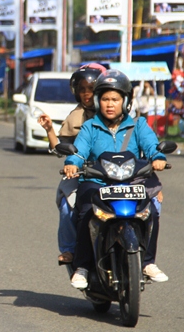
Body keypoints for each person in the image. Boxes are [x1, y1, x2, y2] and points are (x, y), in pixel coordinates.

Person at [63, 70, 169, 289]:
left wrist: (158, 157)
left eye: (115, 99)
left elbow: (151, 145)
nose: (109, 104)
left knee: (151, 210)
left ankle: (148, 262)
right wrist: (72, 163)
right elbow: (79, 150)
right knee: (84, 212)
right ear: (97, 101)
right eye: (104, 99)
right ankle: (82, 266)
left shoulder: (138, 125)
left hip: (131, 183)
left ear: (126, 101)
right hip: (98, 183)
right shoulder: (90, 127)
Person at [38, 64, 106, 264]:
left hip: (117, 172)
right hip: (84, 173)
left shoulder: (120, 114)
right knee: (68, 204)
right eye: (82, 90)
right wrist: (50, 129)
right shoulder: (75, 117)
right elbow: (61, 148)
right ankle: (69, 249)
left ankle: (144, 258)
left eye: (91, 89)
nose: (87, 94)